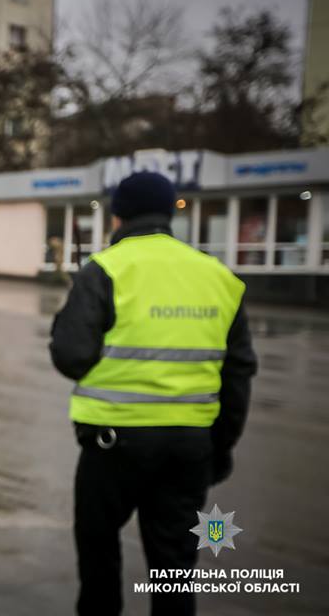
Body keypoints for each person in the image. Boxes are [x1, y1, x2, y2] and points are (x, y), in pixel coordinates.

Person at [49, 172, 257, 616]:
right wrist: (219, 446)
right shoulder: (218, 276)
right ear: (169, 214)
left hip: (113, 444)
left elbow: (70, 356)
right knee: (176, 564)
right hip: (189, 447)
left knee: (100, 552)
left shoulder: (104, 269)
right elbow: (239, 373)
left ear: (117, 216)